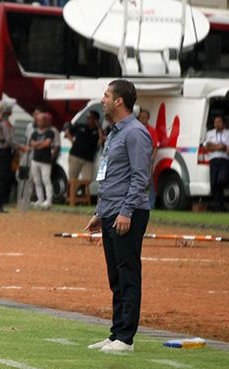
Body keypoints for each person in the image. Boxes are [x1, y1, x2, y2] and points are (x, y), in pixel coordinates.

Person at [85, 79, 151, 354]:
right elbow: (110, 176)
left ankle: (126, 338)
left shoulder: (135, 133)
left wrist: (125, 212)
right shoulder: (114, 132)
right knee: (116, 276)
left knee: (128, 273)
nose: (102, 100)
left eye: (106, 95)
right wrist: (100, 212)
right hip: (111, 212)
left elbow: (139, 177)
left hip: (128, 213)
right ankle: (116, 333)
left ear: (119, 101)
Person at [204, 115, 229, 211]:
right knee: (214, 183)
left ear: (223, 123)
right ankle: (218, 206)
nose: (217, 124)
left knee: (221, 180)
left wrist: (215, 146)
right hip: (213, 160)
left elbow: (225, 146)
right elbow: (207, 146)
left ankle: (220, 204)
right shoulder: (210, 133)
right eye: (215, 122)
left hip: (224, 160)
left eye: (219, 122)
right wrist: (218, 146)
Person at [66, 110, 102, 185]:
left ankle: (75, 192)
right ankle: (71, 195)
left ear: (95, 119)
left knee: (88, 180)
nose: (87, 119)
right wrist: (72, 141)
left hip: (88, 159)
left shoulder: (97, 131)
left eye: (90, 117)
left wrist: (98, 126)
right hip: (75, 156)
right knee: (72, 179)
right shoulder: (80, 126)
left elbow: (101, 140)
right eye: (87, 117)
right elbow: (67, 132)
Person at [29, 112, 55, 209]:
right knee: (37, 181)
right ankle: (40, 199)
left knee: (46, 180)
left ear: (45, 121)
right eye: (38, 120)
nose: (39, 122)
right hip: (35, 160)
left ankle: (48, 200)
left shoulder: (50, 132)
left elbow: (47, 144)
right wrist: (41, 144)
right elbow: (32, 144)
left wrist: (37, 144)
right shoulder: (34, 132)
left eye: (41, 120)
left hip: (45, 160)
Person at [137, 108, 158, 208]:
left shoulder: (152, 130)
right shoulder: (136, 129)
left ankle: (151, 203)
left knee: (149, 181)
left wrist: (153, 157)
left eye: (144, 117)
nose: (143, 119)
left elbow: (155, 146)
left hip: (147, 159)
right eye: (141, 117)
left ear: (148, 118)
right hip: (137, 158)